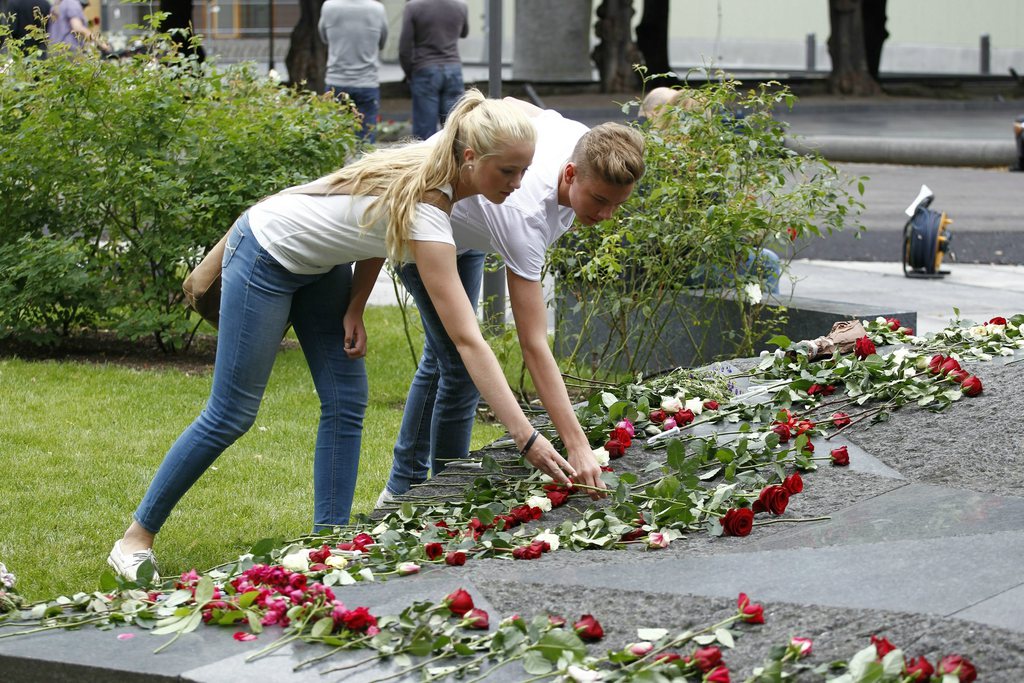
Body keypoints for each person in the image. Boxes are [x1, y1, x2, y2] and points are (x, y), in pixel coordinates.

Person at [107, 90, 580, 581]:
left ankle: (326, 543)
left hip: (322, 265)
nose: (519, 184)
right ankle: (133, 540)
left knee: (347, 399)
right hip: (267, 253)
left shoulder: (433, 177)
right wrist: (526, 438)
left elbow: (378, 226)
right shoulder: (431, 209)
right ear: (469, 157)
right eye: (508, 171)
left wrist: (356, 302)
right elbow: (468, 341)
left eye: (524, 170)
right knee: (232, 413)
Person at [379, 100, 646, 504]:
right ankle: (437, 495)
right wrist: (577, 445)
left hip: (469, 229)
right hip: (423, 225)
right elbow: (534, 343)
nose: (607, 214)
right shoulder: (525, 216)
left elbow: (506, 104)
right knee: (458, 366)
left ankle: (406, 490)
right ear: (570, 173)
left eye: (617, 204)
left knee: (443, 358)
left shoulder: (581, 140)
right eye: (598, 200)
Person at [319, 0, 388, 142]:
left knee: (334, 137)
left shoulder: (329, 7)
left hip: (336, 82)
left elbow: (324, 38)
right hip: (367, 82)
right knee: (366, 139)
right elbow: (382, 42)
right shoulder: (378, 9)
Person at [399, 0, 468, 140]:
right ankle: (455, 160)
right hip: (453, 68)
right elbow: (464, 32)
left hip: (424, 68)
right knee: (454, 127)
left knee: (425, 128)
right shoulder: (461, 5)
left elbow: (404, 49)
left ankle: (425, 160)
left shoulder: (413, 7)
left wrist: (410, 73)